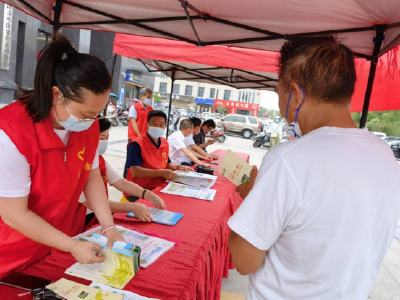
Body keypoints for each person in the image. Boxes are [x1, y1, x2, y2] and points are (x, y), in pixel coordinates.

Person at [228, 35, 400, 300]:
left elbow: (243, 260)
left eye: (279, 94)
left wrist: (252, 196)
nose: (280, 106)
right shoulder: (385, 156)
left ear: (296, 94)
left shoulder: (287, 160)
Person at [0, 35, 124, 278]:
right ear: (57, 95)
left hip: (57, 246)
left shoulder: (87, 126)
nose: (92, 121)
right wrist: (71, 245)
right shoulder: (11, 133)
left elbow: (91, 177)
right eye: (87, 113)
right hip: (12, 252)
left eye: (97, 114)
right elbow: (14, 213)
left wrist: (108, 225)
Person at [80, 118, 166, 225]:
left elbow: (120, 182)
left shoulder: (99, 159)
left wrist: (148, 195)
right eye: (102, 138)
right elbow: (89, 202)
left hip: (100, 212)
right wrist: (128, 207)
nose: (105, 142)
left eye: (107, 138)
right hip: (81, 217)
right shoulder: (76, 162)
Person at [123, 111, 192, 202]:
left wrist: (179, 167)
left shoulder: (164, 143)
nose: (157, 127)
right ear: (147, 124)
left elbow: (167, 164)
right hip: (138, 190)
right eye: (154, 124)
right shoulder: (136, 144)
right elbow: (136, 172)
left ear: (165, 126)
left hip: (157, 185)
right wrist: (162, 173)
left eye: (161, 124)